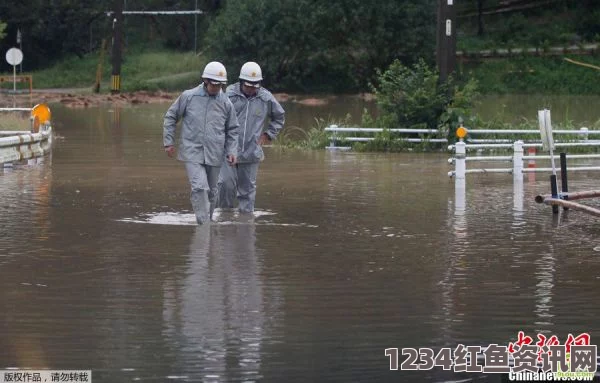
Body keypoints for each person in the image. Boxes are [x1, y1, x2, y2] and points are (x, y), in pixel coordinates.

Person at [163, 61, 239, 224]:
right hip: (192, 151)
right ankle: (203, 226)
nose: (216, 88)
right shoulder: (188, 96)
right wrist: (168, 142)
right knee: (199, 188)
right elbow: (171, 117)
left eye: (220, 85)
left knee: (212, 191)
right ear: (205, 80)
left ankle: (207, 222)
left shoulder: (226, 103)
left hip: (215, 152)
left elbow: (233, 129)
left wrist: (232, 151)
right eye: (214, 85)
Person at [216, 61, 285, 213]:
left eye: (255, 86)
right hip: (228, 150)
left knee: (247, 193)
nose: (252, 89)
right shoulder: (228, 94)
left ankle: (245, 227)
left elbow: (279, 117)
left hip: (251, 151)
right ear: (241, 82)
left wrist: (269, 134)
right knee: (226, 185)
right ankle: (223, 220)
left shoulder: (266, 98)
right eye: (248, 85)